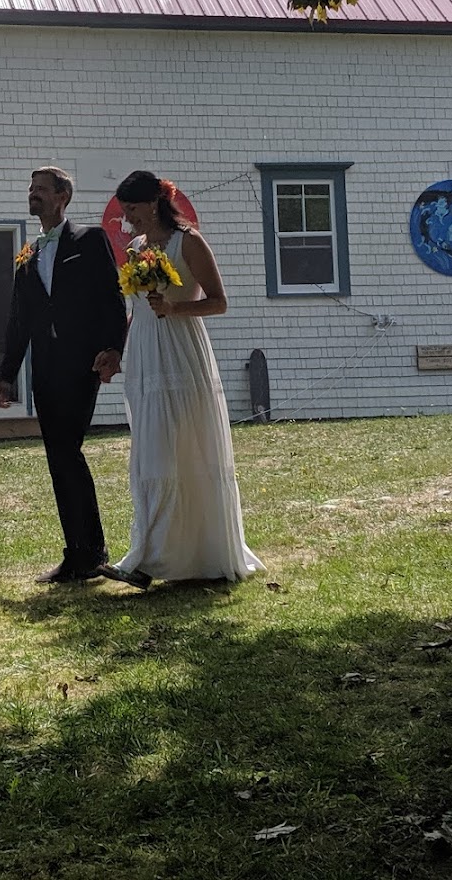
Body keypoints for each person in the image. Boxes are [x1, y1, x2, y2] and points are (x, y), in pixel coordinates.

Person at [99, 170, 264, 589]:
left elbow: (219, 302)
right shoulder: (137, 248)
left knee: (183, 448)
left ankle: (189, 553)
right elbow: (136, 308)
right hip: (145, 352)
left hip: (180, 350)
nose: (128, 218)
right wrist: (117, 351)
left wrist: (175, 309)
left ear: (154, 202)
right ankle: (149, 553)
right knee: (151, 452)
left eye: (132, 209)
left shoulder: (188, 242)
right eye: (124, 210)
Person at [0, 166, 128, 583]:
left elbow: (112, 297)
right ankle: (79, 555)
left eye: (41, 189)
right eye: (30, 188)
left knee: (67, 450)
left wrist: (114, 349)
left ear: (62, 197)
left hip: (81, 363)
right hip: (46, 368)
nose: (32, 194)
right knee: (58, 455)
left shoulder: (89, 240)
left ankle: (89, 552)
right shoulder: (28, 254)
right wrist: (7, 374)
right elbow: (18, 320)